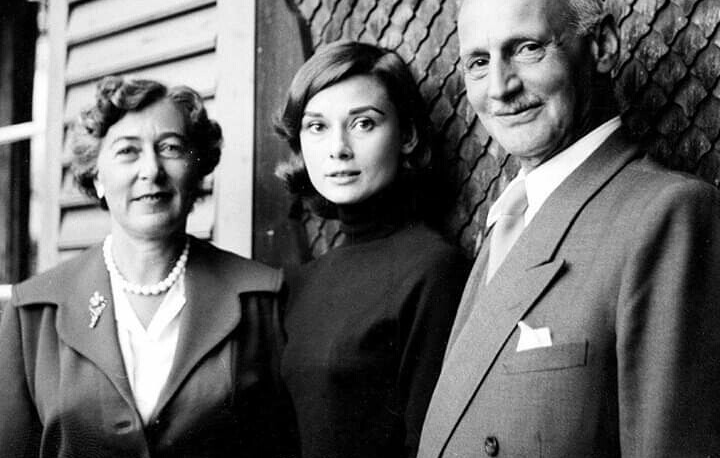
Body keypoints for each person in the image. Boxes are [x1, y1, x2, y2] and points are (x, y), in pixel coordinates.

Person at [418, 0, 720, 458]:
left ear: (600, 45)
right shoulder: (508, 220)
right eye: (477, 62)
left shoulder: (666, 213)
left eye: (527, 49)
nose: (499, 87)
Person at [0, 77, 297, 457]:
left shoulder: (260, 300)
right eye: (127, 151)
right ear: (96, 176)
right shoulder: (34, 313)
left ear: (197, 170)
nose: (151, 170)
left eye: (171, 148)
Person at [275, 40, 469, 458]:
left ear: (408, 135)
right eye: (317, 126)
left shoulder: (433, 269)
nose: (338, 148)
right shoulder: (301, 281)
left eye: (363, 123)